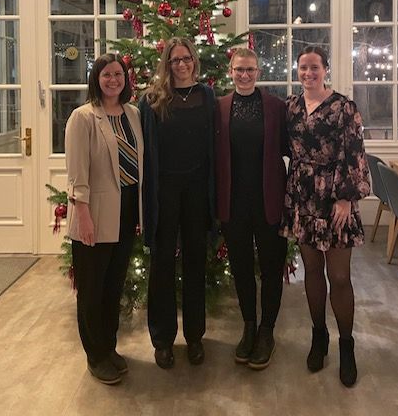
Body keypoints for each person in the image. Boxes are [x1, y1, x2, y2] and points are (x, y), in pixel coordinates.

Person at [282, 46, 370, 387]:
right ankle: (318, 336)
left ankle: (346, 345)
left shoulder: (344, 107)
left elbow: (355, 152)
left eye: (314, 67)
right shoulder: (291, 106)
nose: (308, 73)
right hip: (303, 195)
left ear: (325, 70)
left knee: (340, 276)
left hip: (335, 197)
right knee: (312, 271)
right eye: (303, 67)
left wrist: (346, 198)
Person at [65, 53, 143, 385]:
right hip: (93, 213)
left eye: (118, 74)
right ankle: (95, 355)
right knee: (92, 288)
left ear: (126, 79)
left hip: (126, 211)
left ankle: (109, 347)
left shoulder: (133, 114)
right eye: (106, 74)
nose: (113, 80)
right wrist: (83, 216)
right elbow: (76, 174)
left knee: (113, 285)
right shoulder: (82, 117)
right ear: (96, 79)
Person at [139, 37, 215, 369]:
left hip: (198, 190)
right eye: (175, 60)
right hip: (164, 192)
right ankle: (162, 340)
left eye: (186, 58)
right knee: (162, 265)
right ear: (167, 64)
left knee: (196, 262)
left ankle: (195, 336)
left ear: (194, 61)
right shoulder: (153, 100)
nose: (181, 64)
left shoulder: (207, 96)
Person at [215, 48, 288, 370]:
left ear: (258, 72)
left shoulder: (276, 107)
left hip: (269, 201)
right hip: (233, 204)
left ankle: (267, 330)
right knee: (242, 268)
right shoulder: (219, 107)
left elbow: (291, 149)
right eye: (239, 70)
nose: (244, 75)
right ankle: (248, 327)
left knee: (271, 268)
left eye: (250, 70)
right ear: (230, 71)